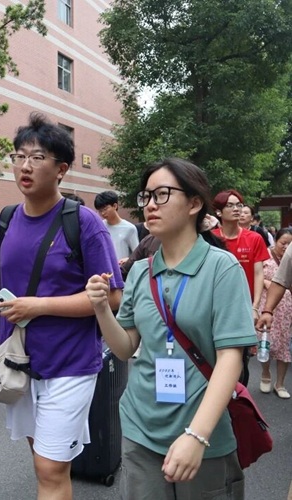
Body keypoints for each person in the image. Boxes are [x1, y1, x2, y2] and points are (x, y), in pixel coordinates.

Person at [0, 112, 123, 500]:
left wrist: (38, 306)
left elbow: (111, 297)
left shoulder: (84, 223)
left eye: (37, 157)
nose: (24, 166)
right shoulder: (5, 220)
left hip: (69, 363)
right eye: (19, 157)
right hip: (18, 362)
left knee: (50, 468)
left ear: (61, 169)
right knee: (41, 461)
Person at [86, 158, 256, 500]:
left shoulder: (222, 268)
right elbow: (125, 348)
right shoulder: (140, 272)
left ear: (194, 203)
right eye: (146, 196)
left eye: (162, 194)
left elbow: (230, 358)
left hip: (204, 433)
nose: (150, 204)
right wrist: (101, 309)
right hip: (140, 428)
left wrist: (197, 435)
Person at [212, 191, 269, 323]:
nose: (236, 209)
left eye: (239, 205)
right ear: (219, 212)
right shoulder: (210, 238)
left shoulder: (255, 238)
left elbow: (258, 274)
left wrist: (255, 307)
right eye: (230, 205)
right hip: (215, 304)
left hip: (245, 305)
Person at [257, 228, 292, 398]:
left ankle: (280, 384)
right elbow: (256, 275)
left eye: (289, 243)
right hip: (268, 305)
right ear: (275, 241)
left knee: (284, 344)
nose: (285, 247)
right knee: (266, 340)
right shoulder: (265, 256)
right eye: (283, 243)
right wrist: (265, 282)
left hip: (287, 309)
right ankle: (265, 374)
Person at [94, 190, 139, 264]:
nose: (103, 213)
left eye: (105, 209)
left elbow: (137, 255)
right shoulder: (100, 227)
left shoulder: (129, 228)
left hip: (122, 269)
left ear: (115, 206)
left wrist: (128, 259)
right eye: (100, 211)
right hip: (104, 269)